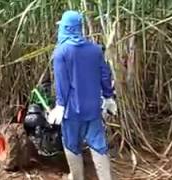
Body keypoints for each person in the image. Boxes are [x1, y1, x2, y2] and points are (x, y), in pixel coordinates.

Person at [48, 11, 117, 180]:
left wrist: (60, 105)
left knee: (72, 145)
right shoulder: (95, 50)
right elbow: (105, 74)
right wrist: (108, 97)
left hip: (71, 111)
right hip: (93, 108)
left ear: (65, 28)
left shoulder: (61, 53)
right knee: (98, 145)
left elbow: (62, 83)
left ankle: (76, 177)